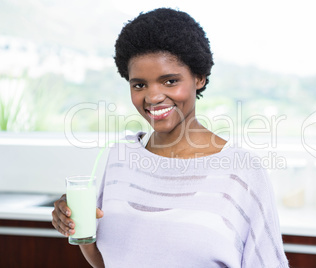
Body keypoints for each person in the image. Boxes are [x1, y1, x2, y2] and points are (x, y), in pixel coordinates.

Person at [52, 8, 289, 268]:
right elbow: (106, 261)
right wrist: (77, 226)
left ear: (199, 78)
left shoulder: (241, 171)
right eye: (139, 85)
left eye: (169, 81)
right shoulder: (119, 157)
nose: (152, 97)